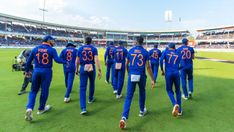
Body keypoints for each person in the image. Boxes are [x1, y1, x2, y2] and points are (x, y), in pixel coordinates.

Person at [24, 35, 67, 121]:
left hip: (36, 71)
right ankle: (41, 109)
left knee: (33, 91)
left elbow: (28, 61)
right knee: (44, 90)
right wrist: (66, 62)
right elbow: (57, 60)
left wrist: (26, 71)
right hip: (47, 72)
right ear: (48, 40)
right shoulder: (52, 49)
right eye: (53, 40)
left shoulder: (35, 48)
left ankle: (29, 108)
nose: (54, 42)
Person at [119, 36, 155, 129]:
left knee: (128, 97)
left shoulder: (130, 51)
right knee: (142, 93)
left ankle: (124, 117)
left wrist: (128, 73)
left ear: (135, 41)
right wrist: (152, 79)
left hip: (132, 74)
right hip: (141, 75)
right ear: (142, 42)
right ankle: (141, 111)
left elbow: (126, 64)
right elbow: (148, 67)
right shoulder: (145, 52)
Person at [76, 37, 102, 115]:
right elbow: (96, 60)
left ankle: (83, 108)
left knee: (82, 88)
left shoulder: (80, 48)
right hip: (91, 67)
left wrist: (76, 69)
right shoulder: (94, 49)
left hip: (83, 67)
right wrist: (99, 70)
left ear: (84, 41)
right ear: (91, 41)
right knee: (92, 83)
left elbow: (77, 61)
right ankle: (90, 99)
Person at [160, 43, 182, 117]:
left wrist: (162, 70)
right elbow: (181, 64)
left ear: (169, 47)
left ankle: (175, 104)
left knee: (169, 90)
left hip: (168, 73)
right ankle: (179, 110)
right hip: (176, 73)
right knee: (178, 91)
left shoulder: (166, 51)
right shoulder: (178, 53)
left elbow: (160, 60)